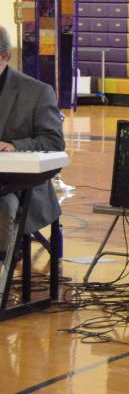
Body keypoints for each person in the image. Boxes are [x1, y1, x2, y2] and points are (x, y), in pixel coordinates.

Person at [0, 25, 66, 262]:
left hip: (16, 184)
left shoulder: (37, 92)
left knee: (4, 207)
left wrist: (14, 145)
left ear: (3, 57)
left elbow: (53, 141)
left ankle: (4, 269)